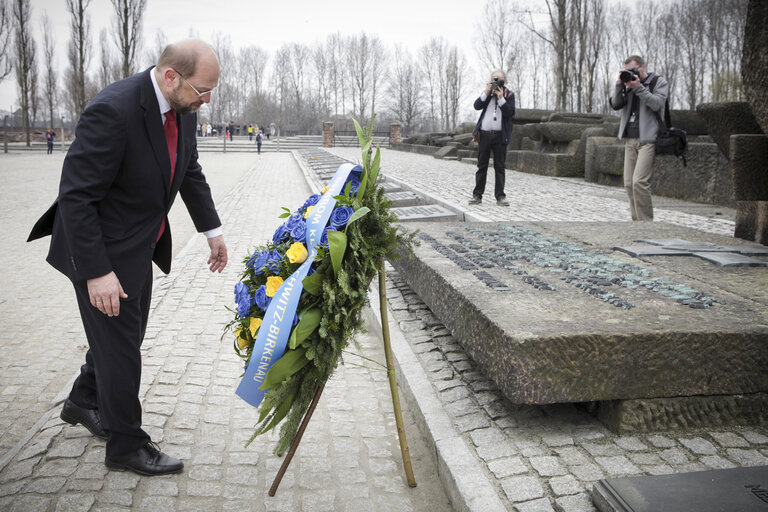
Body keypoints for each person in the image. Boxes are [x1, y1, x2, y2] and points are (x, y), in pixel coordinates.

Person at [27, 39, 228, 476]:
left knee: (124, 338)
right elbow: (76, 197)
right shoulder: (114, 110)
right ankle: (126, 445)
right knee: (121, 350)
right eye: (202, 90)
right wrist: (97, 272)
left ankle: (83, 399)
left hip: (137, 244)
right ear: (171, 76)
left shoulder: (183, 108)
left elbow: (188, 168)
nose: (207, 100)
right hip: (97, 250)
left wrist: (211, 231)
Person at [609, 55, 669, 221]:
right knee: (628, 184)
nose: (630, 73)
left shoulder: (658, 82)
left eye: (633, 69)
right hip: (630, 139)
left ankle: (646, 224)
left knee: (639, 182)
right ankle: (637, 223)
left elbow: (657, 104)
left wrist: (638, 87)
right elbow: (616, 104)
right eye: (627, 70)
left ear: (642, 67)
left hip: (648, 140)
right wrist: (620, 84)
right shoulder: (627, 85)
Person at [470, 69, 515, 206]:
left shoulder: (509, 95)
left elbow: (510, 113)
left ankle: (500, 196)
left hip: (500, 136)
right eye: (494, 80)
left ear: (505, 81)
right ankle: (477, 195)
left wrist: (501, 98)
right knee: (481, 166)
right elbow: (477, 106)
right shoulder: (488, 94)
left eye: (499, 80)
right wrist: (486, 91)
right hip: (484, 135)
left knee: (499, 167)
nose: (497, 83)